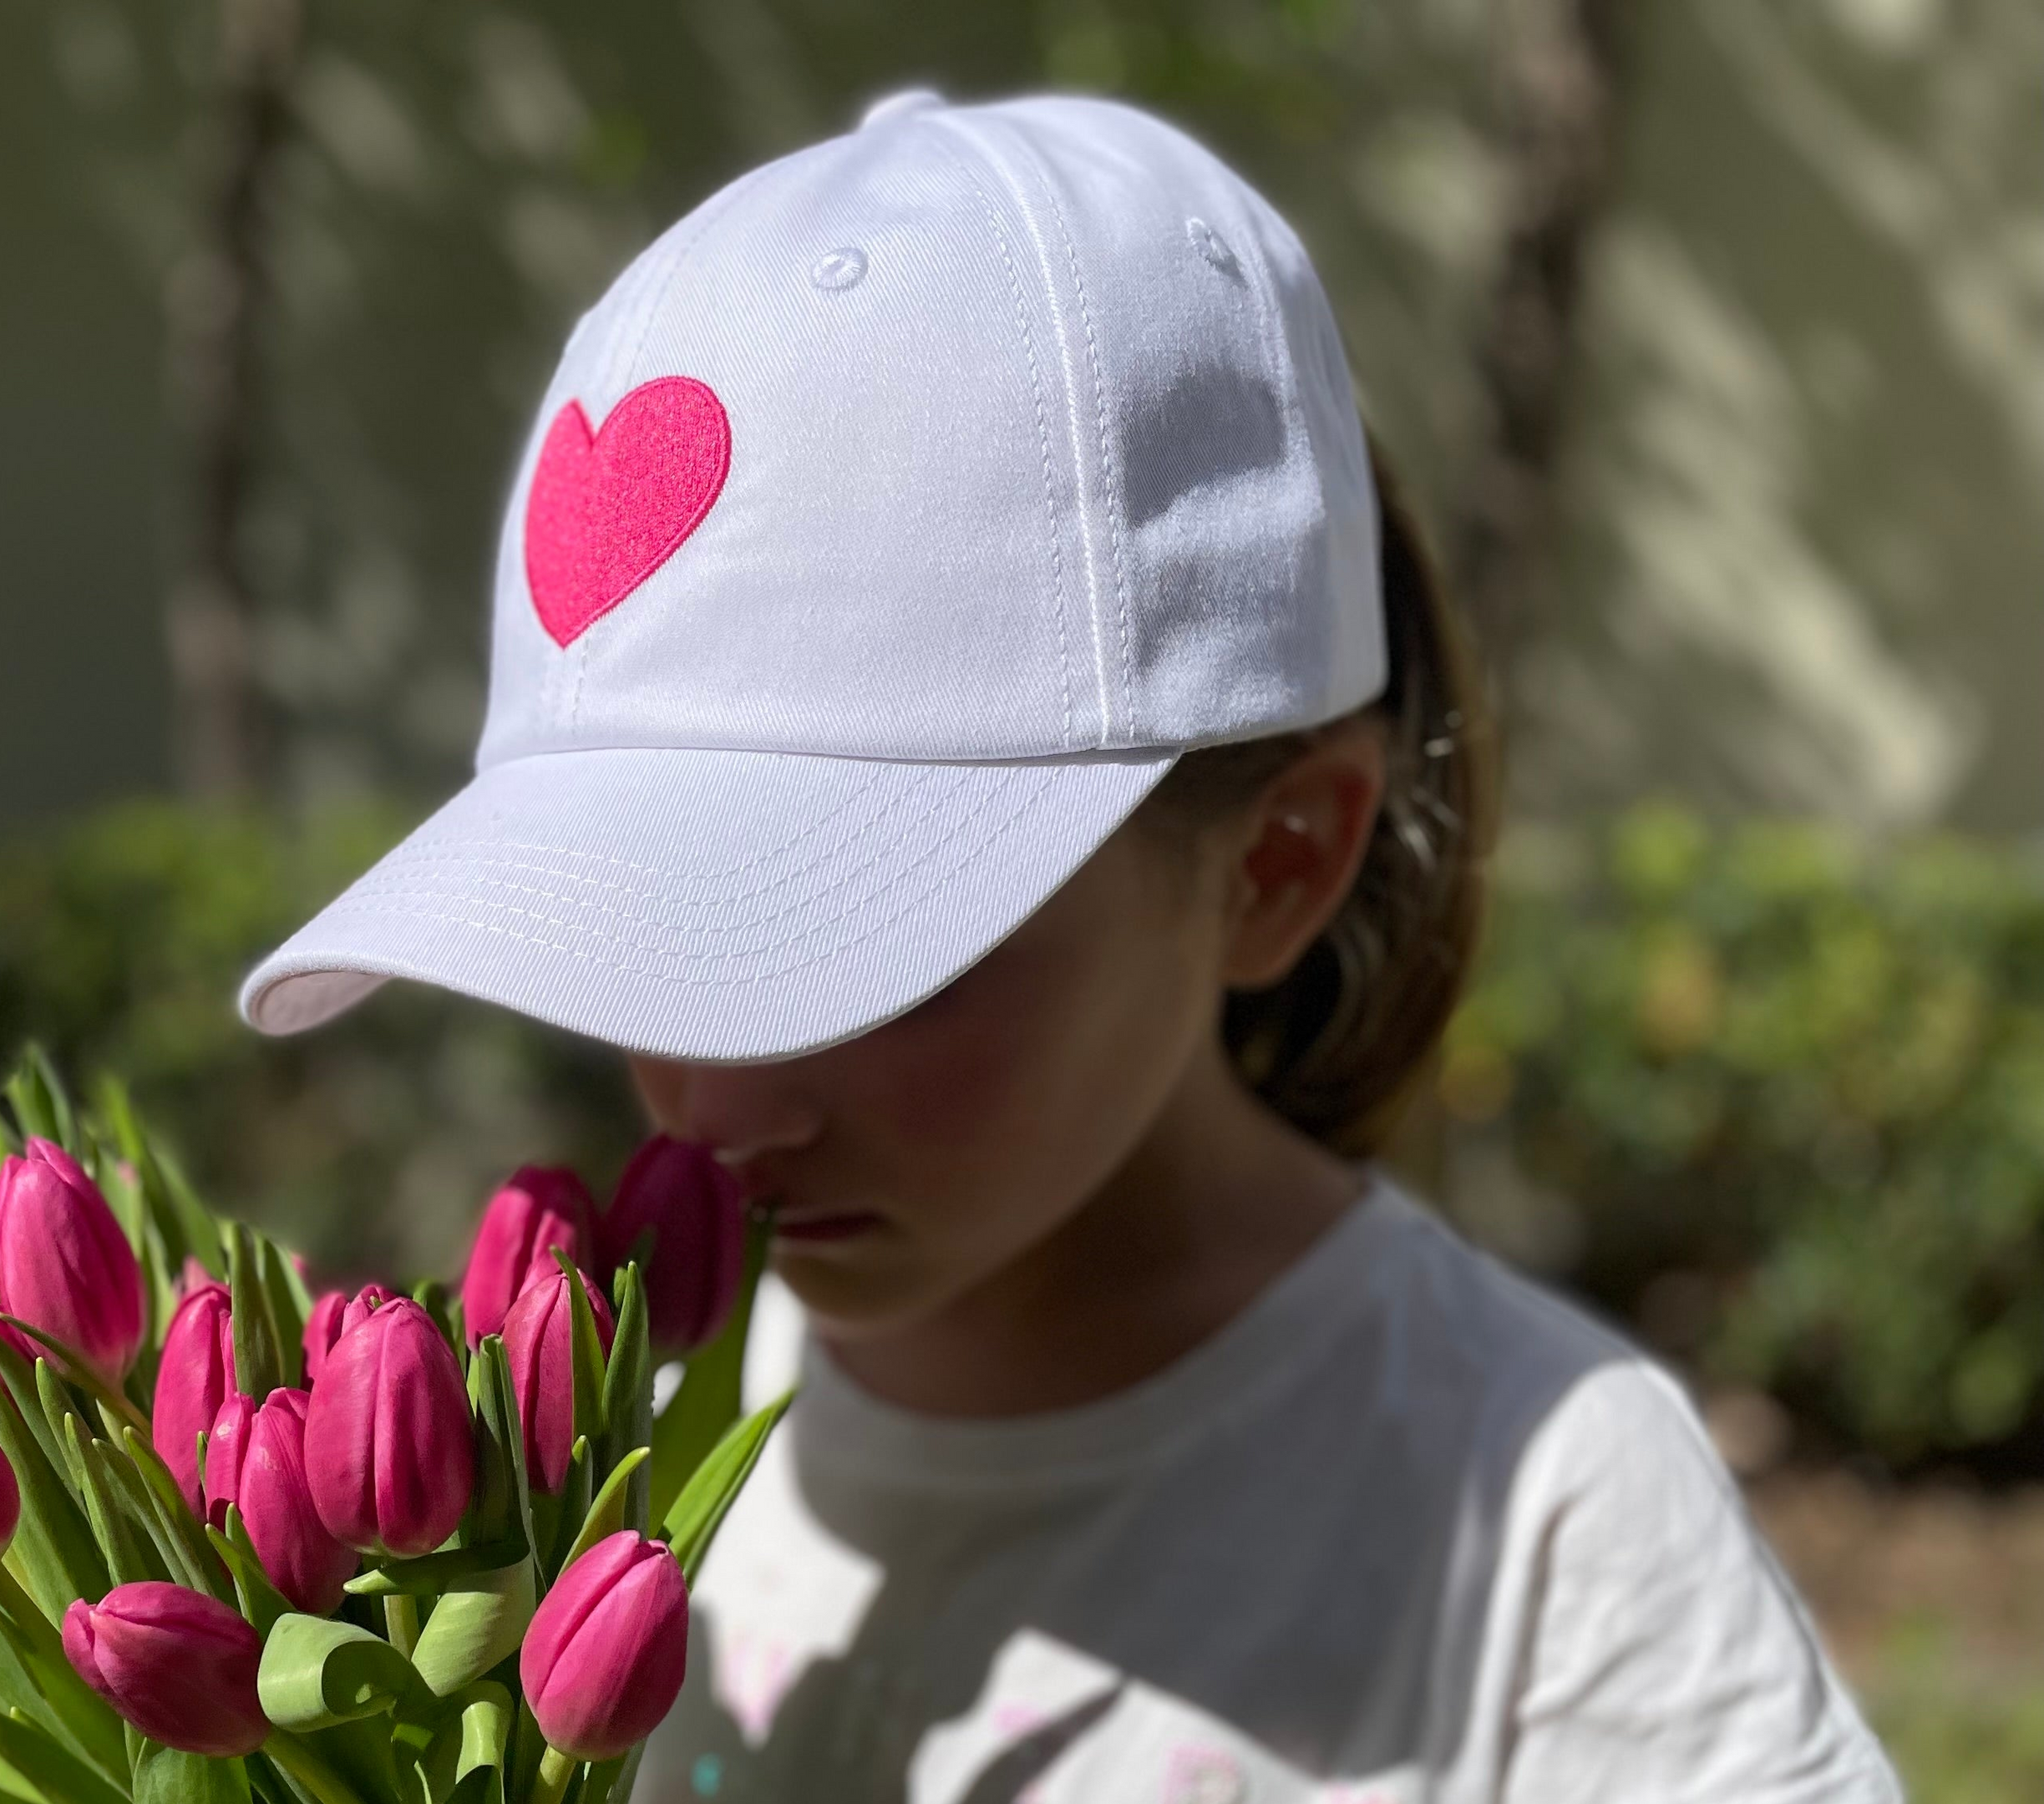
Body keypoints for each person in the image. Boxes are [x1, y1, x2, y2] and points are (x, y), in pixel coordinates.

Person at [236, 91, 1895, 1802]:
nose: (716, 1106)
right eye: (654, 935)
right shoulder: (584, 1435)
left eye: (871, 945)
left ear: (1280, 863)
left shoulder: (1543, 1525)